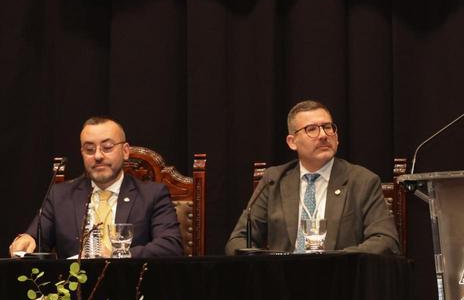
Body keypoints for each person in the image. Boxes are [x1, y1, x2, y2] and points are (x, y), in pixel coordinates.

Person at [224, 100, 400, 255]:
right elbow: (239, 239)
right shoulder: (274, 180)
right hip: (283, 283)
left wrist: (335, 261)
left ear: (336, 137)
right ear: (292, 142)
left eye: (328, 127)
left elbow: (385, 239)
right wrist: (265, 266)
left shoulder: (362, 181)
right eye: (312, 129)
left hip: (341, 283)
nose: (323, 135)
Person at [9, 117, 183, 258]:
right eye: (90, 149)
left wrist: (118, 255)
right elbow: (36, 239)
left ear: (125, 151)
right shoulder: (60, 196)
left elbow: (171, 245)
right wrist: (26, 239)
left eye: (107, 147)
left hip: (133, 291)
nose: (98, 156)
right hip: (75, 295)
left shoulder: (152, 194)